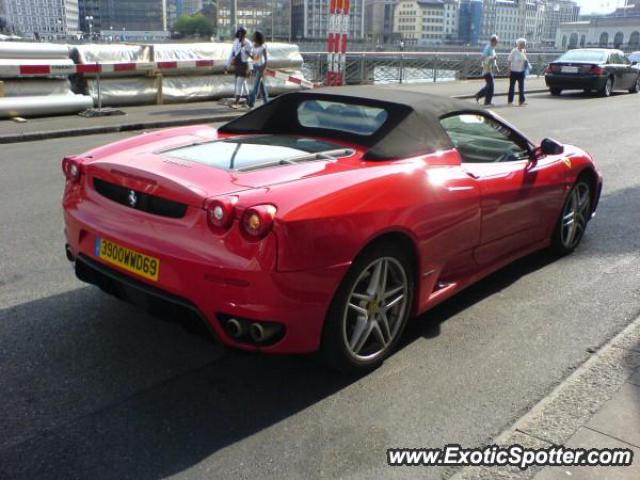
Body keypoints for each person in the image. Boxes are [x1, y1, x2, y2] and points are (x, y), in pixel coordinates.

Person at [225, 27, 253, 109]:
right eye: (240, 33)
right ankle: (249, 102)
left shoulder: (248, 43)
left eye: (243, 33)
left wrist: (250, 69)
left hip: (245, 65)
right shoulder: (236, 42)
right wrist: (227, 65)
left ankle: (236, 102)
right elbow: (232, 54)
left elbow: (250, 57)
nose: (241, 35)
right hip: (238, 65)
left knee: (239, 83)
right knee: (243, 84)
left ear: (245, 34)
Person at [475, 35, 498, 106]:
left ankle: (479, 95)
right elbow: (483, 57)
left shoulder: (492, 48)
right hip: (486, 69)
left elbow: (493, 59)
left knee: (489, 85)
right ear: (492, 41)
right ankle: (487, 101)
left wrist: (496, 66)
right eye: (496, 41)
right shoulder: (488, 48)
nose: (497, 43)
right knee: (491, 85)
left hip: (490, 69)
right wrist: (492, 57)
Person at [247, 31, 269, 108]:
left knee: (256, 86)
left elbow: (266, 59)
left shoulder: (263, 47)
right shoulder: (253, 45)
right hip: (254, 66)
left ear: (258, 37)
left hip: (260, 67)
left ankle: (251, 102)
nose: (253, 37)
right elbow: (252, 58)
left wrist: (264, 68)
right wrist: (250, 68)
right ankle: (266, 101)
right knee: (261, 86)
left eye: (254, 36)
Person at [508, 38, 529, 106]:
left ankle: (521, 101)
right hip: (514, 71)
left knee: (521, 87)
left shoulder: (524, 51)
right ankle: (510, 101)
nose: (524, 45)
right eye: (522, 44)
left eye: (524, 44)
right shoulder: (514, 51)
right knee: (512, 87)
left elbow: (525, 60)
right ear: (519, 44)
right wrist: (509, 70)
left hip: (521, 71)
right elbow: (509, 60)